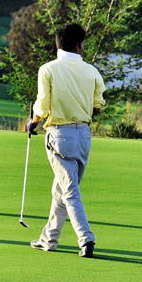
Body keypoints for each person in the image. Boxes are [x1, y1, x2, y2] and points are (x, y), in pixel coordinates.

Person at [26, 23, 105, 257]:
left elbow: (42, 103)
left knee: (69, 191)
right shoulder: (92, 71)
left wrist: (33, 122)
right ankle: (49, 239)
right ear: (78, 46)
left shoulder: (48, 69)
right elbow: (98, 106)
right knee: (61, 189)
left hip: (59, 135)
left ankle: (86, 238)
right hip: (84, 137)